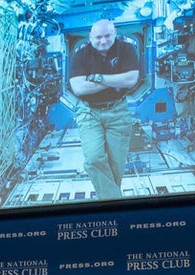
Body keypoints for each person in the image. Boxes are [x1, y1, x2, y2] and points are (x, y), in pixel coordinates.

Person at [69, 18, 139, 199]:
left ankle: (109, 202)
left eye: (107, 36)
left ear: (114, 34)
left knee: (116, 163)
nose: (103, 41)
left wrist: (98, 78)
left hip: (118, 110)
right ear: (90, 37)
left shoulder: (127, 49)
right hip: (89, 112)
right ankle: (115, 202)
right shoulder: (81, 54)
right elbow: (79, 88)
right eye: (98, 37)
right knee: (93, 158)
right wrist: (115, 79)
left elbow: (131, 79)